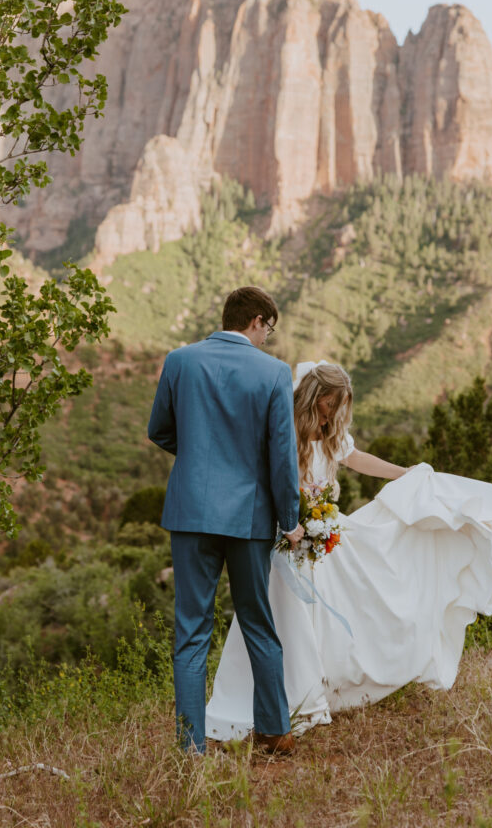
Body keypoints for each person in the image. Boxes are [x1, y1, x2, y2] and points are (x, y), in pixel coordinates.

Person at [206, 361, 492, 741]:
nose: (332, 413)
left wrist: (405, 473)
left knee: (369, 582)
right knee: (285, 613)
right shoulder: (282, 423)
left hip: (320, 530)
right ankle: (286, 697)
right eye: (330, 403)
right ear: (315, 397)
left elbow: (355, 458)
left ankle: (329, 685)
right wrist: (296, 517)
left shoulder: (329, 432)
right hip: (288, 534)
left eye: (338, 405)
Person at [148, 286, 304, 755]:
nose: (267, 339)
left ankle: (190, 748)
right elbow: (283, 459)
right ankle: (273, 732)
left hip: (191, 514)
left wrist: (198, 456)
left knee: (191, 631)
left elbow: (159, 430)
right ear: (256, 320)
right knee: (258, 622)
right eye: (268, 329)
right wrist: (291, 519)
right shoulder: (275, 373)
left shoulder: (180, 360)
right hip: (248, 517)